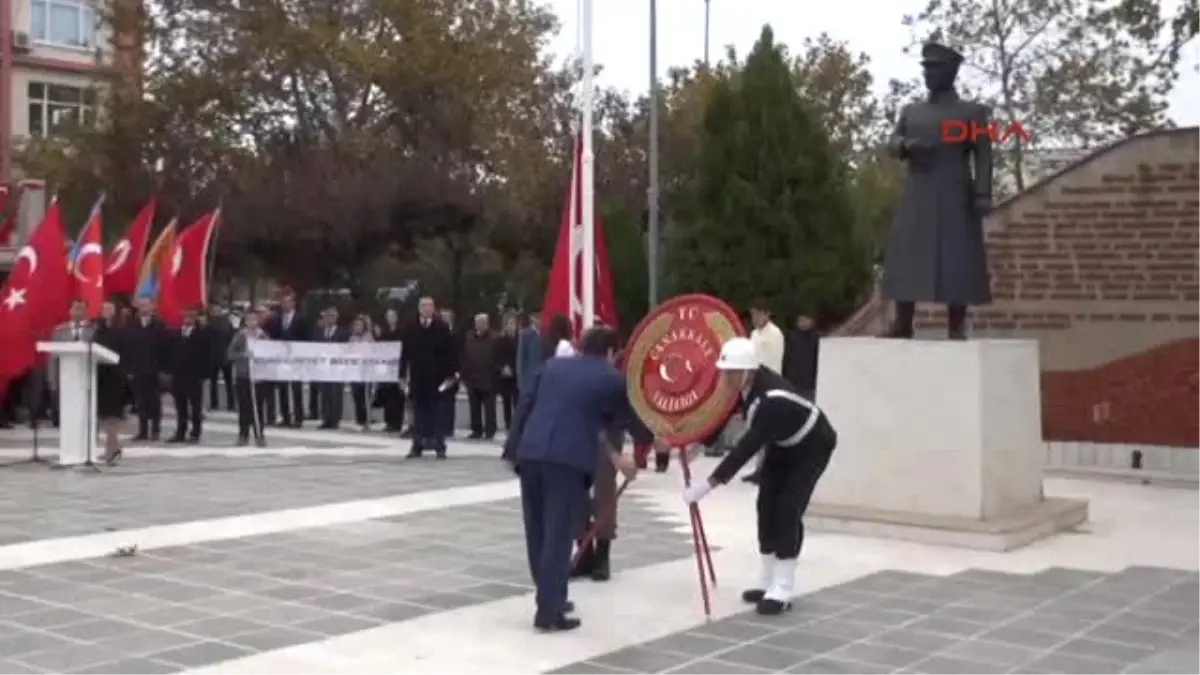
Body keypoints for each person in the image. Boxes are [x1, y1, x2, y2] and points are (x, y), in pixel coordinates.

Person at [682, 337, 838, 616]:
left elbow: (745, 449)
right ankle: (767, 579)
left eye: (731, 372)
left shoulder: (770, 400)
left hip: (812, 445)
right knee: (765, 505)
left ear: (749, 371)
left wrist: (706, 486)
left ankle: (783, 586)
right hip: (782, 443)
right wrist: (696, 443)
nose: (726, 378)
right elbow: (722, 416)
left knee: (788, 509)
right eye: (724, 372)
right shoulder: (743, 386)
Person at [503, 325, 640, 632]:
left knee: (537, 532)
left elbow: (525, 406)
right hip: (566, 462)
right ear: (609, 353)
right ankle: (549, 611)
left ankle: (549, 595)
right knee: (558, 534)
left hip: (531, 454)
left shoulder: (550, 367)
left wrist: (512, 451)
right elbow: (630, 419)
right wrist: (654, 441)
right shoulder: (610, 379)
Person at [400, 297, 457, 458]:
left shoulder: (442, 327)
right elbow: (405, 354)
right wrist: (402, 374)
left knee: (437, 413)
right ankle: (417, 445)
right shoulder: (411, 328)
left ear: (434, 309)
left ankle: (439, 445)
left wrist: (451, 375)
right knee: (418, 414)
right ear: (419, 308)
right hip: (418, 378)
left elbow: (450, 353)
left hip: (437, 378)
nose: (427, 308)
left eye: (430, 306)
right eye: (424, 306)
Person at [742, 299, 785, 484]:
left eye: (758, 314)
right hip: (754, 384)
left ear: (767, 314)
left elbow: (771, 362)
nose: (755, 318)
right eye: (753, 315)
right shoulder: (754, 334)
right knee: (756, 427)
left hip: (768, 384)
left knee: (767, 428)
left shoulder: (774, 334)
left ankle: (765, 469)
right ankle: (759, 467)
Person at [166, 306, 213, 443]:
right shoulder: (176, 334)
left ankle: (195, 433)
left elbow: (207, 356)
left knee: (195, 406)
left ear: (195, 318)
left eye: (191, 316)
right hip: (178, 375)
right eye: (186, 316)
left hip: (194, 376)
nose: (188, 319)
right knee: (180, 406)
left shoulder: (202, 334)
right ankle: (180, 432)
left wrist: (204, 375)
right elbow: (171, 353)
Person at [124, 298, 169, 441]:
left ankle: (155, 430)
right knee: (140, 402)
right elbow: (127, 349)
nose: (144, 308)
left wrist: (163, 369)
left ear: (152, 307)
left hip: (154, 370)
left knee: (155, 401)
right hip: (137, 370)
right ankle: (143, 431)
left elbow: (164, 349)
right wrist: (129, 369)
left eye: (147, 305)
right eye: (141, 305)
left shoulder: (159, 325)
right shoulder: (132, 326)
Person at [266, 293, 310, 427]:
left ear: (293, 304)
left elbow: (306, 338)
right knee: (283, 388)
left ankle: (298, 417)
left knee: (296, 389)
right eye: (283, 302)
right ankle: (285, 417)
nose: (285, 305)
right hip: (280, 358)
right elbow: (272, 336)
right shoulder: (276, 319)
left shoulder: (301, 319)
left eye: (288, 302)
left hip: (296, 358)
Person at [227, 311, 268, 447]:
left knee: (258, 407)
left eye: (254, 319)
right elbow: (230, 353)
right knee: (244, 407)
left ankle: (259, 435)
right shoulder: (240, 335)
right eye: (249, 319)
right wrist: (243, 355)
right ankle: (243, 435)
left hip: (258, 376)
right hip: (243, 375)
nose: (252, 322)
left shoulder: (262, 336)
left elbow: (269, 353)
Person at [94, 303, 127, 463]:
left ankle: (112, 450)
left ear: (114, 313)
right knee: (106, 417)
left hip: (115, 378)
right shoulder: (98, 331)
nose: (105, 312)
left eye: (109, 309)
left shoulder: (120, 331)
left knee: (112, 417)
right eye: (103, 309)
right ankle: (113, 448)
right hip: (100, 377)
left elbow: (123, 352)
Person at [461, 313, 498, 440]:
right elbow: (465, 355)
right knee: (474, 406)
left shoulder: (494, 337)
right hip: (472, 377)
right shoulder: (469, 336)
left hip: (488, 377)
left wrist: (496, 372)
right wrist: (464, 374)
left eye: (483, 322)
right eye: (478, 322)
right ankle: (476, 430)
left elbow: (498, 357)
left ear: (487, 324)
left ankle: (490, 430)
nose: (480, 325)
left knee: (489, 407)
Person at [314, 307, 348, 429]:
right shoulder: (319, 331)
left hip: (337, 367)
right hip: (324, 366)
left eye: (333, 316)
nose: (330, 318)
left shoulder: (343, 332)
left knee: (336, 393)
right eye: (328, 316)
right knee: (325, 393)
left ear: (337, 317)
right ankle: (326, 418)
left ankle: (335, 419)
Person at [377, 308, 406, 431]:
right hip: (387, 368)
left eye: (393, 315)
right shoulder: (384, 333)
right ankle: (389, 422)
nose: (391, 318)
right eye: (388, 316)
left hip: (398, 367)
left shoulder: (401, 332)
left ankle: (397, 422)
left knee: (397, 396)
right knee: (388, 396)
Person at [207, 305, 236, 411]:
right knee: (227, 382)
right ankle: (230, 404)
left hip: (218, 356)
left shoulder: (210, 324)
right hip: (223, 356)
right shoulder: (227, 323)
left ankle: (215, 404)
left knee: (215, 382)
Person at [783, 314, 820, 397]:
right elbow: (786, 360)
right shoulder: (791, 337)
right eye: (801, 320)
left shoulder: (816, 338)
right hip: (793, 383)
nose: (804, 323)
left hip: (810, 384)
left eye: (806, 320)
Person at [348, 316, 374, 430]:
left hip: (365, 370)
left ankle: (367, 419)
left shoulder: (368, 337)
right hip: (354, 370)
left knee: (365, 396)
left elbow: (372, 351)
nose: (357, 327)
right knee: (356, 395)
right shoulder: (352, 338)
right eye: (355, 325)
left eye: (359, 325)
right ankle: (359, 419)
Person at [495, 314, 519, 432]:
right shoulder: (500, 340)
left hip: (517, 375)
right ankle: (508, 424)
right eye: (509, 324)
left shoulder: (519, 339)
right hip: (505, 376)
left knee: (517, 401)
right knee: (506, 401)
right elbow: (497, 356)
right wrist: (502, 367)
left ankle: (517, 424)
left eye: (513, 323)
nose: (511, 326)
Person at [515, 311, 542, 399]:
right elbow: (521, 359)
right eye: (537, 318)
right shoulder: (525, 334)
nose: (539, 320)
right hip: (529, 381)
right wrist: (521, 383)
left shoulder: (546, 334)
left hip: (542, 380)